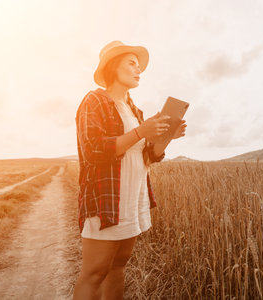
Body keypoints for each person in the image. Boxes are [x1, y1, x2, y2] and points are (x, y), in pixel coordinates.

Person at [73, 40, 187, 299]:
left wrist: (165, 138)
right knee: (94, 273)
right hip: (106, 200)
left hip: (132, 199)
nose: (139, 70)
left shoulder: (135, 109)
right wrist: (140, 132)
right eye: (131, 63)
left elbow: (149, 157)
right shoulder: (94, 101)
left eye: (139, 66)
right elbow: (93, 151)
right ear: (113, 67)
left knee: (118, 267)